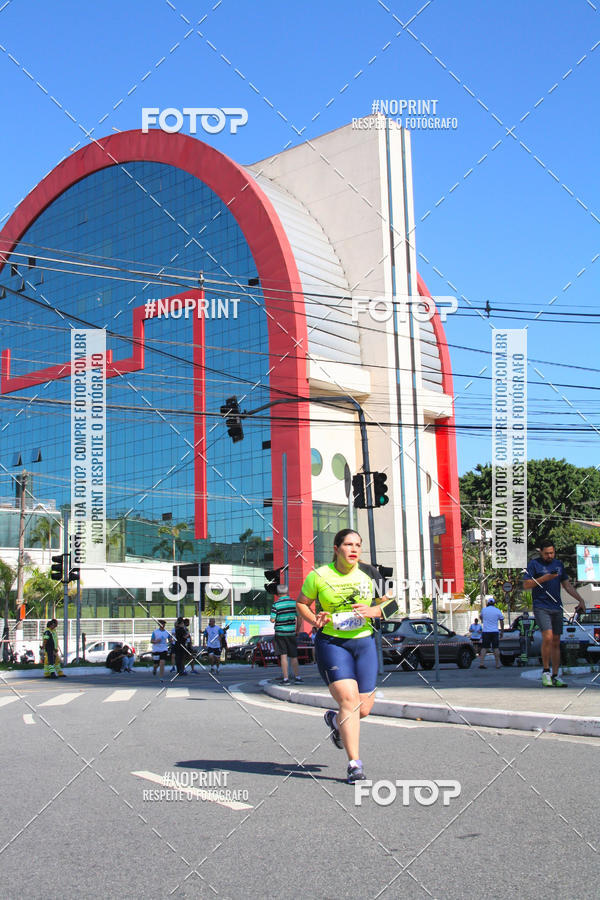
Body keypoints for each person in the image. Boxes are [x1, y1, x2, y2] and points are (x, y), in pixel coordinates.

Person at [296, 528, 395, 784]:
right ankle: (354, 765)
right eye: (348, 544)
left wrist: (373, 610)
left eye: (358, 545)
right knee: (349, 702)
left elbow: (392, 605)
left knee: (364, 709)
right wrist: (314, 620)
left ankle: (336, 722)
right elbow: (302, 603)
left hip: (363, 644)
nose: (354, 549)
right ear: (336, 548)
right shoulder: (319, 575)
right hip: (332, 643)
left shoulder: (371, 573)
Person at [522, 539, 586, 687]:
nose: (549, 556)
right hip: (541, 606)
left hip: (556, 606)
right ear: (541, 552)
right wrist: (546, 578)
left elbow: (567, 585)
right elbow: (526, 584)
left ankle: (556, 675)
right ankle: (545, 671)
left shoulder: (558, 565)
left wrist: (580, 599)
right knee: (548, 636)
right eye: (546, 553)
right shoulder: (534, 564)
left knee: (556, 641)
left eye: (552, 553)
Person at [270, 584, 302, 685]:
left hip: (280, 633)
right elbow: (299, 618)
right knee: (294, 656)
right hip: (291, 632)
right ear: (287, 592)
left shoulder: (276, 605)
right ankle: (297, 677)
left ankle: (286, 679)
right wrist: (297, 630)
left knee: (283, 656)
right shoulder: (294, 603)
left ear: (278, 593)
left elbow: (272, 620)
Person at [479, 598, 504, 669]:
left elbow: (480, 617)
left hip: (486, 631)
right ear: (494, 603)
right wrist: (502, 631)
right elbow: (501, 621)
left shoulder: (484, 610)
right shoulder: (497, 610)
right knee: (496, 648)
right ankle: (497, 664)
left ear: (487, 603)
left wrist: (483, 620)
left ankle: (481, 663)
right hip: (495, 631)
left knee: (484, 648)